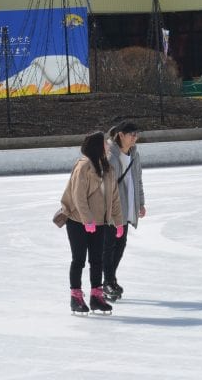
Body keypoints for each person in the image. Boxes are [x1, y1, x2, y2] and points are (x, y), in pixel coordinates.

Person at [55, 131, 123, 315]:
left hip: (100, 222)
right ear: (97, 146)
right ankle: (76, 298)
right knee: (79, 260)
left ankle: (96, 296)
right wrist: (87, 219)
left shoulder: (108, 168)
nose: (109, 145)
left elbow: (114, 198)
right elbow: (78, 196)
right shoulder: (83, 166)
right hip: (78, 221)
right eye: (105, 143)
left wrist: (118, 222)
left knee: (97, 260)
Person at [102, 121, 145, 302]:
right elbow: (104, 182)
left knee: (120, 245)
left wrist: (141, 203)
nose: (135, 137)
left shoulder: (134, 154)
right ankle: (107, 282)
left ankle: (110, 279)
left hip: (128, 206)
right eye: (132, 134)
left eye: (136, 134)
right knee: (109, 246)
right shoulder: (111, 154)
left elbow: (138, 179)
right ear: (121, 135)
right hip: (113, 208)